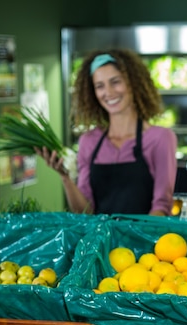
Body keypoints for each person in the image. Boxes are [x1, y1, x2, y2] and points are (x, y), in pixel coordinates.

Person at [36, 48, 177, 215]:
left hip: (143, 239)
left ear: (133, 83)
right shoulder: (88, 142)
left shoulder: (160, 138)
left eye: (115, 81)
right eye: (99, 86)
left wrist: (135, 239)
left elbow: (162, 205)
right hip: (100, 240)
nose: (108, 92)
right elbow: (84, 212)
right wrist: (65, 178)